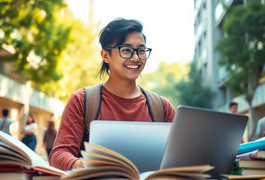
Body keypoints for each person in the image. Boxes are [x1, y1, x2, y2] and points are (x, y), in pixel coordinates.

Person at [49, 18, 175, 170]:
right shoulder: (82, 101)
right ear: (105, 55)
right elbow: (59, 154)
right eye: (126, 50)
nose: (136, 58)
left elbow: (180, 155)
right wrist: (77, 164)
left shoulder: (162, 107)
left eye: (141, 50)